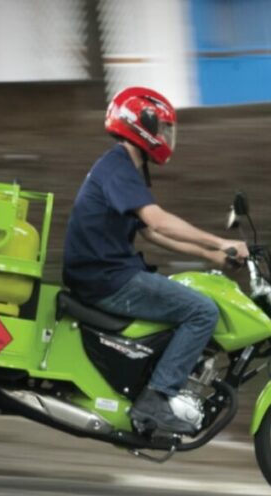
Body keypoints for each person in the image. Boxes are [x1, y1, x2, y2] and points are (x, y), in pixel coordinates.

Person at [62, 87, 249, 434]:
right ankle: (157, 397)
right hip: (105, 278)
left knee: (190, 302)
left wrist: (211, 255)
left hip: (106, 272)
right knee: (202, 311)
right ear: (141, 125)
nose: (166, 137)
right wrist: (221, 241)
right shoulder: (117, 167)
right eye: (162, 128)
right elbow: (159, 222)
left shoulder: (124, 168)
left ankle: (155, 384)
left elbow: (150, 233)